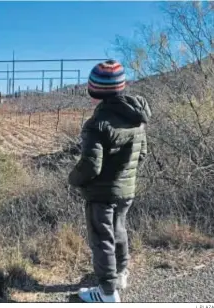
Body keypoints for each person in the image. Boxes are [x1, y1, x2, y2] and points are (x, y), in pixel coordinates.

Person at [68, 60, 151, 303]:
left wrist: (74, 180)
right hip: (127, 189)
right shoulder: (137, 118)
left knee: (102, 240)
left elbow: (90, 166)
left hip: (102, 195)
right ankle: (121, 274)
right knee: (119, 231)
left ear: (94, 91)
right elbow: (142, 153)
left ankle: (107, 293)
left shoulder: (96, 125)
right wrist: (125, 176)